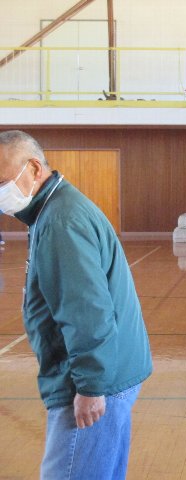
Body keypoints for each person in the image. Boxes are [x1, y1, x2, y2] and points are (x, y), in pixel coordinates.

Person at [0, 130, 152, 479]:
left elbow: (87, 312)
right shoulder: (53, 210)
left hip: (93, 381)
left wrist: (90, 386)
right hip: (110, 370)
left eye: (2, 182)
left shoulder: (60, 221)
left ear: (33, 168)